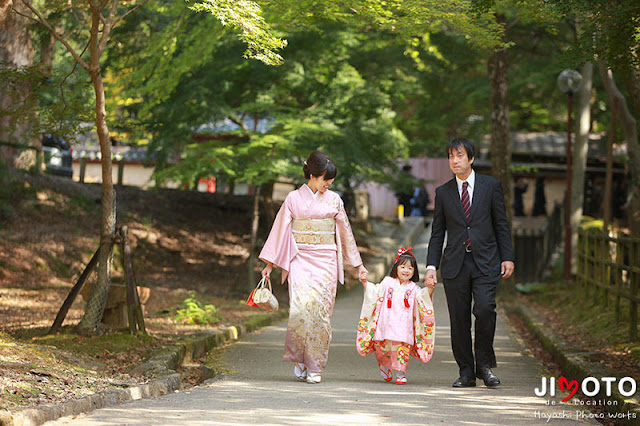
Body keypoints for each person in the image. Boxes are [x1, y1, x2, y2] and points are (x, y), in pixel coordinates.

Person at [259, 150, 368, 384]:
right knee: (299, 310)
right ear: (312, 175)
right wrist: (269, 264)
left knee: (320, 312)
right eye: (325, 179)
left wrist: (357, 265)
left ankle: (315, 364)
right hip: (299, 258)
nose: (329, 184)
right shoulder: (293, 199)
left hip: (325, 260)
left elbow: (345, 232)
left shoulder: (334, 200)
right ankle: (300, 357)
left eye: (331, 180)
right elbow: (279, 231)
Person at [425, 138, 514, 388]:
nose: (455, 160)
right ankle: (465, 371)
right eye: (451, 156)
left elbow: (501, 224)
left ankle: (484, 366)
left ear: (471, 159)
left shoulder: (490, 186)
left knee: (485, 309)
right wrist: (431, 266)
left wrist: (507, 256)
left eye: (460, 155)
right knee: (459, 319)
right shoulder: (443, 192)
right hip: (454, 264)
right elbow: (437, 232)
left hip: (486, 261)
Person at [356, 247, 435, 385]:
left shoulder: (414, 289)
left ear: (414, 271)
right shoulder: (387, 282)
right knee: (382, 347)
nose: (406, 270)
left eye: (410, 268)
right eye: (403, 267)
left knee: (402, 349)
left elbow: (424, 299)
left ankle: (401, 372)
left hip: (404, 326)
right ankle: (384, 365)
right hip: (386, 323)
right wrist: (364, 282)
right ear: (396, 268)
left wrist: (429, 288)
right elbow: (374, 292)